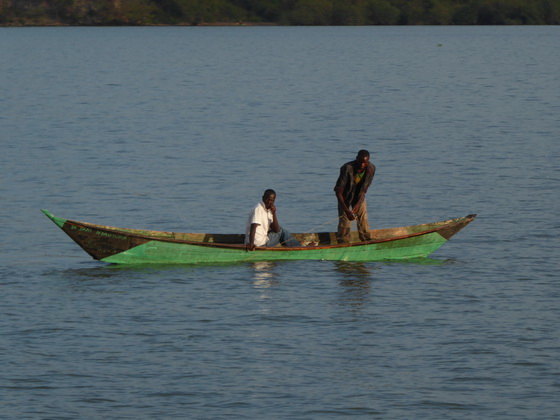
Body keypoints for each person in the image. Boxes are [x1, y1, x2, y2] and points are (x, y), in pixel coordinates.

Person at [334, 149, 376, 243]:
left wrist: (358, 203)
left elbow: (364, 190)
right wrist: (346, 210)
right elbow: (338, 191)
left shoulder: (371, 169)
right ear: (356, 158)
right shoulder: (347, 168)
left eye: (365, 163)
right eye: (360, 162)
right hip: (345, 197)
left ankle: (366, 239)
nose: (362, 165)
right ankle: (343, 241)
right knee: (345, 221)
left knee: (363, 218)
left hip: (359, 196)